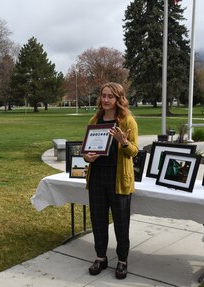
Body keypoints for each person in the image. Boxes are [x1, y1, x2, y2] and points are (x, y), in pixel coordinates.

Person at [83, 82, 138, 279]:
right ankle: (100, 257)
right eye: (103, 95)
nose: (105, 100)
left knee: (121, 223)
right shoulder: (95, 119)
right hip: (97, 177)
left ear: (118, 99)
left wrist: (123, 142)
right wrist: (87, 157)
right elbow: (86, 149)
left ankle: (122, 260)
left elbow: (134, 151)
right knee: (98, 220)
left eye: (110, 97)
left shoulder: (127, 121)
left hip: (119, 179)